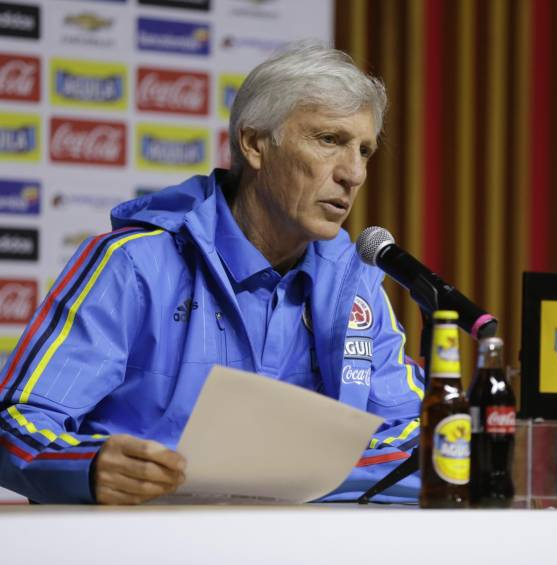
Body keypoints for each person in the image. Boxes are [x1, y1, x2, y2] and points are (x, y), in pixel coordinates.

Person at [0, 43, 423, 504]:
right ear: (254, 144)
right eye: (329, 140)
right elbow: (15, 421)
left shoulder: (353, 286)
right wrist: (87, 466)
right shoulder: (134, 264)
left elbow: (422, 442)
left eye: (364, 151)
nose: (354, 173)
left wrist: (290, 480)